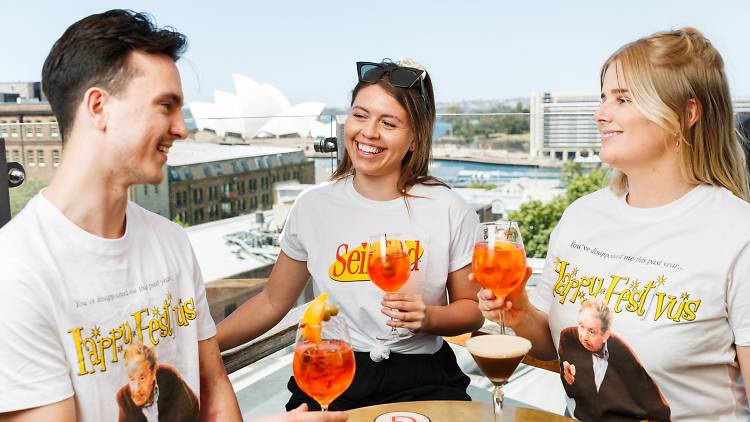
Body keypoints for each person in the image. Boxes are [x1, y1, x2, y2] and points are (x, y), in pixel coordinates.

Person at [0, 9, 345, 422]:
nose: (181, 128)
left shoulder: (171, 242)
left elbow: (213, 383)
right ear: (98, 107)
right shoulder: (16, 272)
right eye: (166, 105)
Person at [478, 27, 750, 421]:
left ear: (687, 114)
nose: (601, 113)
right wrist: (518, 309)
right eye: (604, 97)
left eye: (623, 99)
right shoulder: (580, 216)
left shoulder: (737, 234)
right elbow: (548, 343)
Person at [217, 59, 484, 411]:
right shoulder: (312, 206)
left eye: (388, 123)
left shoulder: (449, 208)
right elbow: (272, 301)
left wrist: (429, 318)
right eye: (360, 115)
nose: (369, 133)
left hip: (423, 375)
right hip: (332, 370)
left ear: (415, 138)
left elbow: (472, 310)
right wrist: (204, 344)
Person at [558, 299, 669, 421]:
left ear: (606, 334)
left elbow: (654, 401)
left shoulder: (623, 353)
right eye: (581, 326)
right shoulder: (568, 337)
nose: (583, 337)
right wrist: (568, 379)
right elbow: (572, 390)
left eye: (591, 331)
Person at [116, 342, 199, 422]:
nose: (137, 388)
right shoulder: (123, 398)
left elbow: (191, 410)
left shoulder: (168, 377)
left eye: (142, 378)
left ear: (153, 372)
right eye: (132, 379)